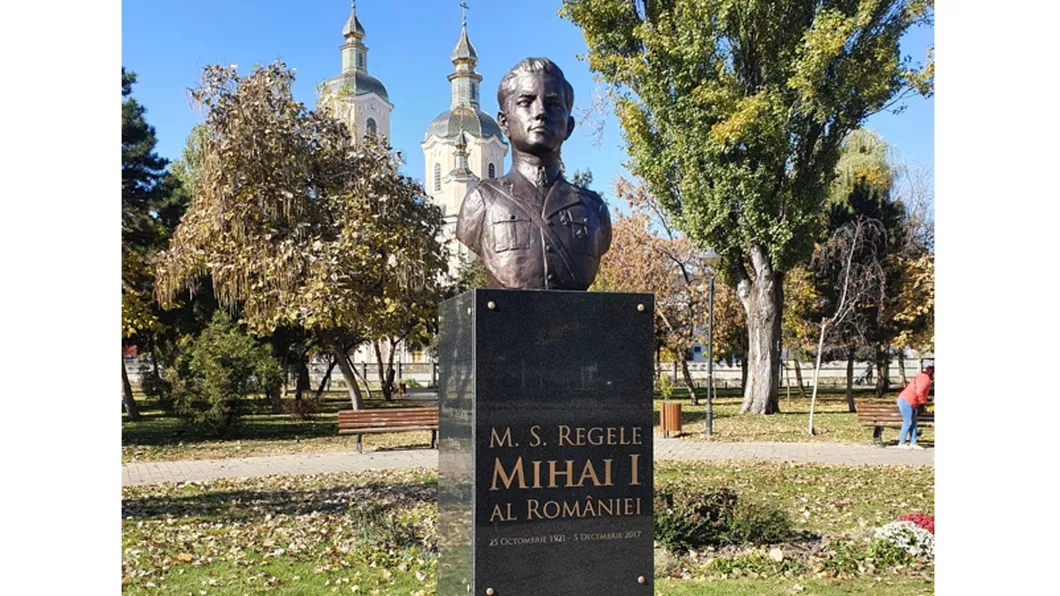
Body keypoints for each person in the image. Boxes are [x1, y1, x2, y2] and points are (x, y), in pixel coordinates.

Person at [456, 57, 611, 290]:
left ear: (569, 126)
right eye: (526, 102)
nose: (540, 113)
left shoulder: (594, 209)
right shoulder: (481, 202)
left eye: (553, 105)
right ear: (504, 123)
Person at [895, 365, 933, 449]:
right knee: (908, 422)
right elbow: (919, 391)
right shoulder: (926, 379)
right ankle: (901, 443)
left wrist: (924, 400)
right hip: (907, 401)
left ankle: (913, 442)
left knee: (914, 422)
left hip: (910, 401)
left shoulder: (921, 376)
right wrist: (922, 403)